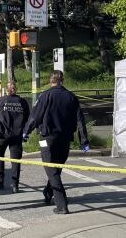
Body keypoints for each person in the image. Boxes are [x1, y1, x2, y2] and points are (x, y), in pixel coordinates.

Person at [23, 70, 89, 215]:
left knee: (52, 171)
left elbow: (35, 116)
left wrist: (25, 132)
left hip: (47, 139)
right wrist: (84, 140)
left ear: (50, 80)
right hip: (65, 140)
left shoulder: (45, 95)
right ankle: (48, 192)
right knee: (56, 169)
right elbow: (80, 120)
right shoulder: (71, 97)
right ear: (62, 80)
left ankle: (62, 205)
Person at [0, 82, 30, 193]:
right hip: (17, 135)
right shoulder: (22, 102)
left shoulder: (1, 100)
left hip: (2, 135)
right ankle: (15, 184)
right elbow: (28, 118)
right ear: (16, 89)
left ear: (7, 90)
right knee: (16, 160)